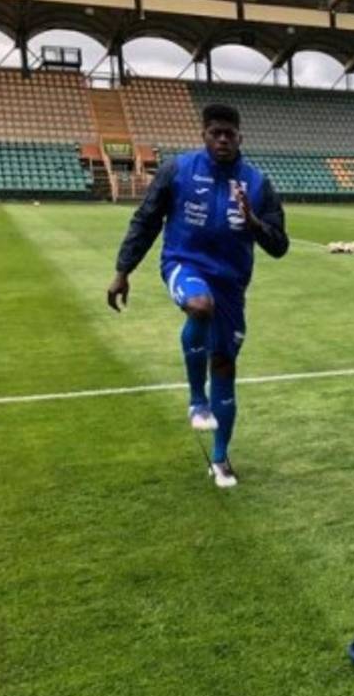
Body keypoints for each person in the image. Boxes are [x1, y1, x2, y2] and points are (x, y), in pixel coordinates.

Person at [107, 104, 288, 488]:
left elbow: (279, 245)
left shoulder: (258, 183)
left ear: (241, 137)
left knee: (224, 364)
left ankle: (221, 459)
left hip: (232, 284)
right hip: (184, 264)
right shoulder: (178, 170)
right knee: (198, 306)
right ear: (204, 134)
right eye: (215, 133)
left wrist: (255, 222)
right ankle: (196, 399)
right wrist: (123, 271)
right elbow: (146, 219)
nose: (223, 139)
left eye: (230, 134)